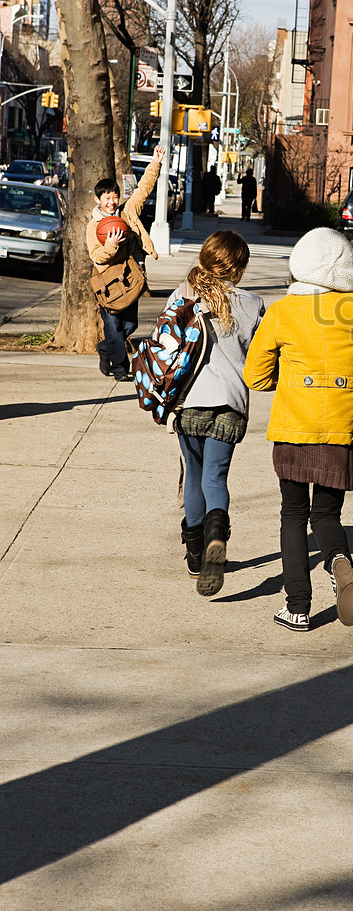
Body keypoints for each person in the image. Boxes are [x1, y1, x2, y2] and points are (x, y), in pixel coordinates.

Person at [244, 227, 353, 631]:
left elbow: (255, 376)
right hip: (342, 430)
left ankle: (297, 606)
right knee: (327, 513)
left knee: (292, 513)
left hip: (294, 429)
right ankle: (338, 562)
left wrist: (285, 378)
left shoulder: (283, 311)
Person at [170, 231, 265, 597]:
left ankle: (196, 557)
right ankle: (216, 537)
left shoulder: (184, 295)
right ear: (238, 268)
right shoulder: (253, 304)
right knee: (215, 479)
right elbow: (259, 361)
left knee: (193, 476)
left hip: (188, 400)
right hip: (230, 403)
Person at [87, 144, 164, 381]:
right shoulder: (93, 226)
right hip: (107, 281)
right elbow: (97, 256)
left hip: (130, 277)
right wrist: (111, 245)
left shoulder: (126, 212)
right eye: (106, 197)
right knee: (112, 325)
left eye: (114, 196)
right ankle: (120, 367)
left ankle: (104, 348)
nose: (111, 201)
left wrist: (155, 163)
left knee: (129, 327)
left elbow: (143, 190)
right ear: (97, 199)